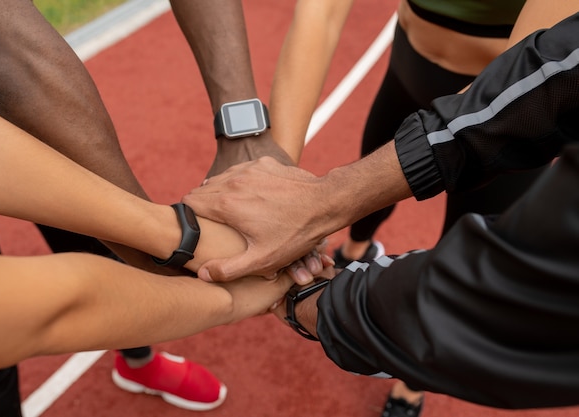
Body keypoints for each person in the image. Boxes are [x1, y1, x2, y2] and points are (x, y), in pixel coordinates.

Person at [183, 10, 579, 409]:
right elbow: (319, 15)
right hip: (406, 77)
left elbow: (521, 88)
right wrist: (275, 182)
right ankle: (356, 249)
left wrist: (300, 272)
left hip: (499, 112)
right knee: (362, 210)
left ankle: (412, 381)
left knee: (463, 250)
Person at [0, 0, 303, 414]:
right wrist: (224, 295)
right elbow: (45, 311)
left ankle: (138, 362)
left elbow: (1, 44)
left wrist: (166, 235)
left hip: (3, 71)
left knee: (105, 241)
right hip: (2, 66)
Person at [0, 94, 312, 378]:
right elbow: (51, 309)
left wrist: (174, 233)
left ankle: (137, 362)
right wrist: (233, 300)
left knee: (96, 236)